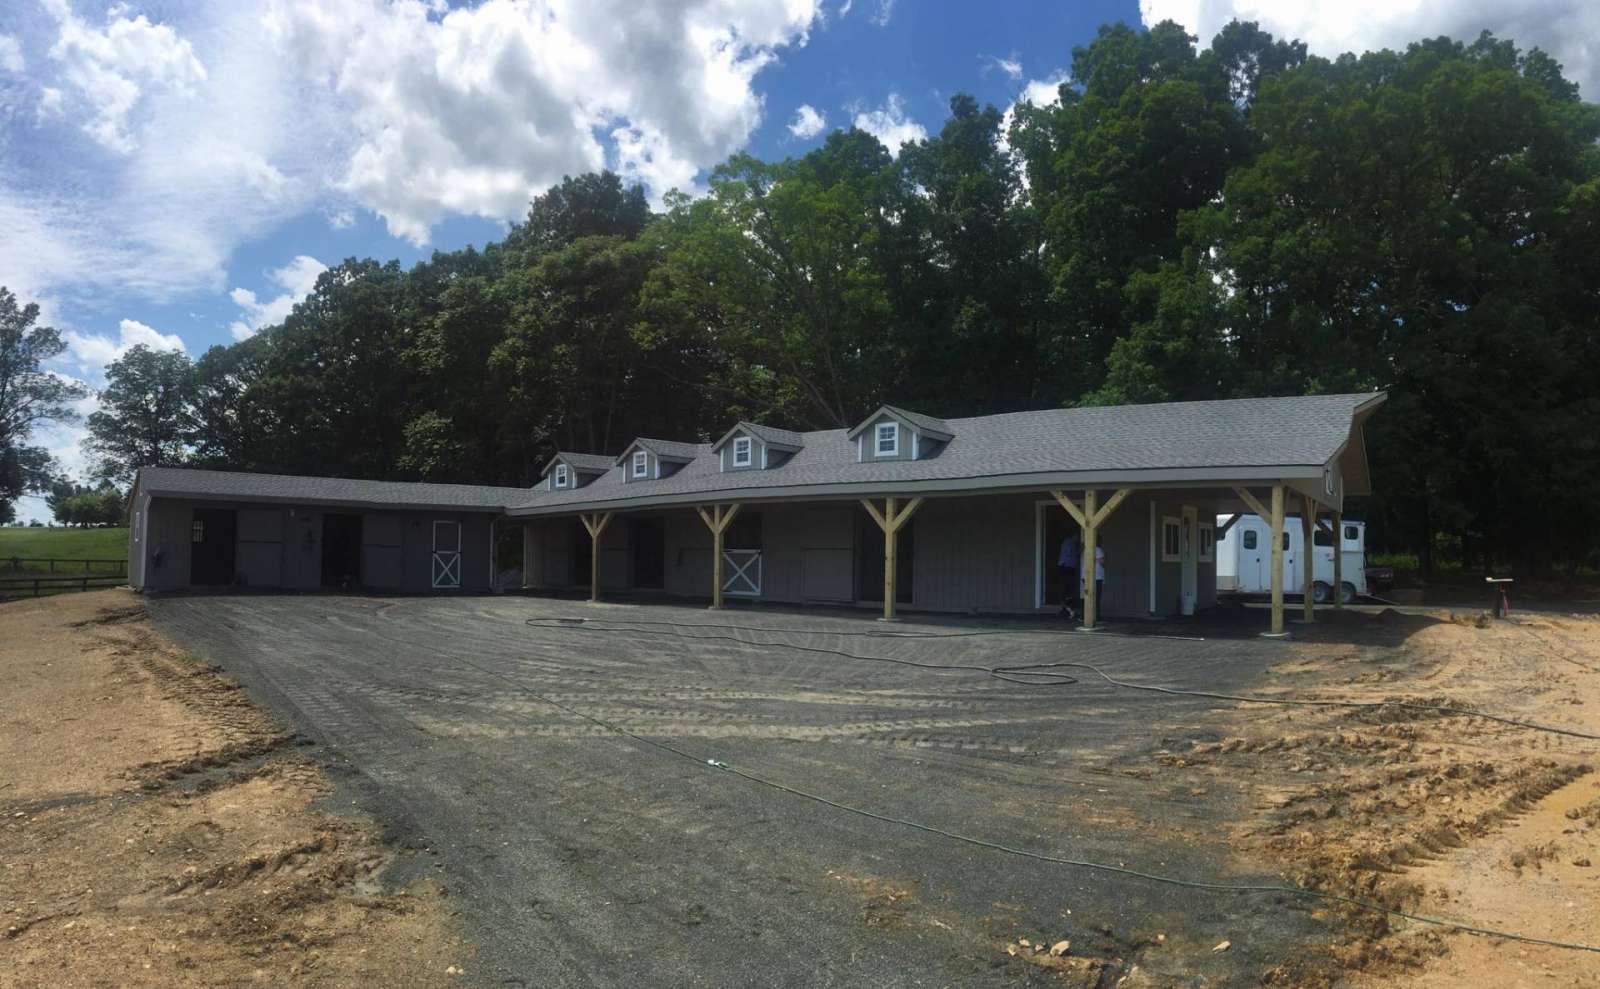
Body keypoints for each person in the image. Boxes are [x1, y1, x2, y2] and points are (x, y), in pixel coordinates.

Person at [1057, 532, 1080, 619]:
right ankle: (1068, 610)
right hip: (1066, 568)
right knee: (1067, 590)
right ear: (1074, 536)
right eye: (1078, 537)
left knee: (1065, 589)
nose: (1078, 539)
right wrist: (1081, 549)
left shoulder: (1066, 541)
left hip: (1065, 567)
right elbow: (1071, 554)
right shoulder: (1070, 543)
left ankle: (1064, 610)